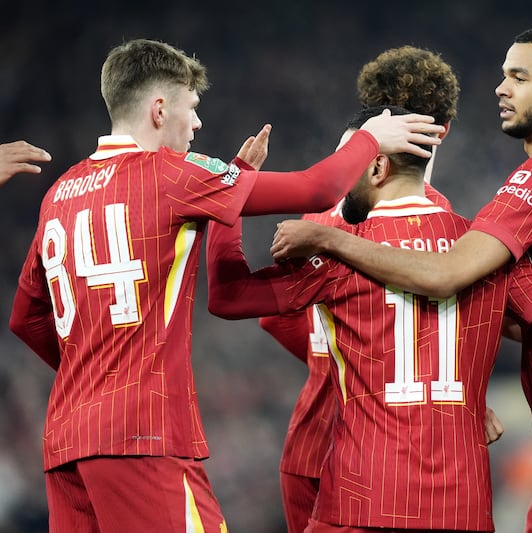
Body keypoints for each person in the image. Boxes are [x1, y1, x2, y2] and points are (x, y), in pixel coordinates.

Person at [7, 38, 442, 533]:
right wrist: (370, 137)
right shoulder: (172, 174)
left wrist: (93, 372)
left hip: (65, 441)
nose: (196, 124)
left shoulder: (59, 193)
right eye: (192, 109)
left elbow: (26, 319)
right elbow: (316, 189)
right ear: (158, 108)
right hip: (141, 435)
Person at [208, 105, 532, 532]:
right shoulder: (481, 248)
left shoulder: (333, 246)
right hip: (462, 504)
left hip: (363, 495)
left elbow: (229, 298)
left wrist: (225, 211)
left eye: (350, 162)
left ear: (375, 165)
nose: (341, 183)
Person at [257, 45, 460, 533]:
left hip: (313, 441)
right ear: (444, 130)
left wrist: (342, 357)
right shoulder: (446, 223)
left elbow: (272, 314)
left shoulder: (323, 210)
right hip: (395, 457)